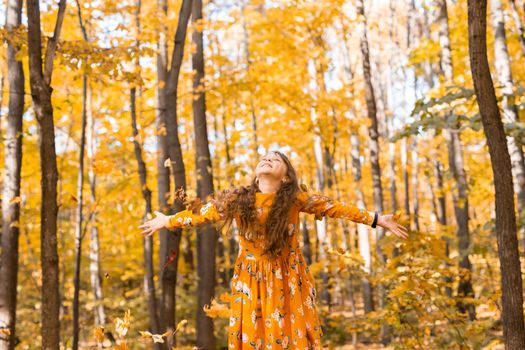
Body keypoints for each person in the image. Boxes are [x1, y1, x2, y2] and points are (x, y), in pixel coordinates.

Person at [138, 150, 408, 349]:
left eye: (275, 159)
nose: (267, 159)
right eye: (264, 157)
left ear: (286, 175)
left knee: (288, 337)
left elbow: (334, 207)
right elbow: (203, 215)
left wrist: (375, 219)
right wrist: (167, 221)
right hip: (250, 278)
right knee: (253, 337)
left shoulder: (295, 198)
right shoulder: (237, 199)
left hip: (287, 278)